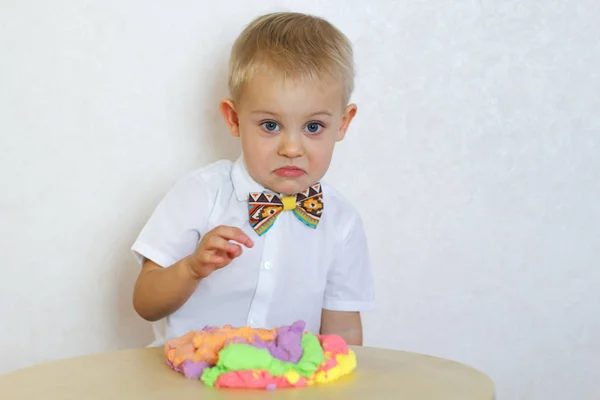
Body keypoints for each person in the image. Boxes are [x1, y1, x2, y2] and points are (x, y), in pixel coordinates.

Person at [131, 11, 375, 347]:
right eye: (271, 125)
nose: (292, 148)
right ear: (234, 119)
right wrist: (190, 269)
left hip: (285, 388)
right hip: (189, 384)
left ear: (343, 124)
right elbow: (145, 302)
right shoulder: (201, 194)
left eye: (313, 127)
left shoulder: (341, 221)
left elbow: (343, 333)